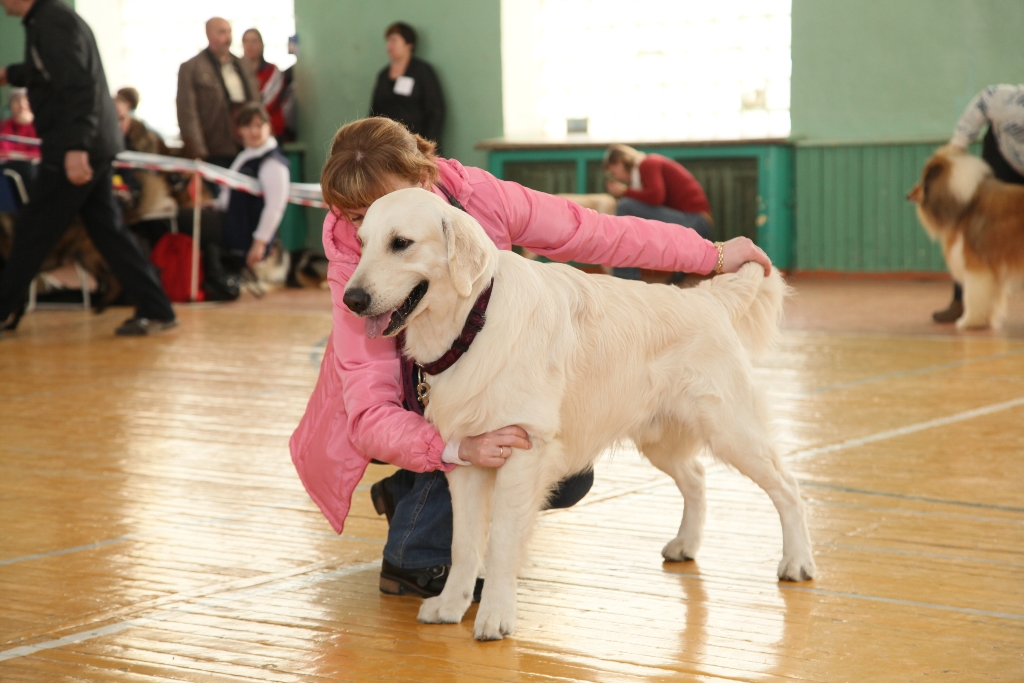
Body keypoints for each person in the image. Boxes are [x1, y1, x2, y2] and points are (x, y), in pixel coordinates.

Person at [288, 117, 771, 597]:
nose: (371, 225)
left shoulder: (480, 197)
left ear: (424, 178)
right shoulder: (352, 263)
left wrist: (712, 256)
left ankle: (413, 496)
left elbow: (596, 232)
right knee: (481, 443)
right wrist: (453, 450)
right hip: (402, 406)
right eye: (356, 217)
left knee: (565, 470)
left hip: (485, 384)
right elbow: (370, 408)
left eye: (387, 208)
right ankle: (415, 546)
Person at [0, 0, 176, 337]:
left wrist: (77, 148)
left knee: (33, 230)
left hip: (77, 146)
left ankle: (3, 307)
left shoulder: (51, 22)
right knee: (108, 232)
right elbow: (48, 73)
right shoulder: (49, 20)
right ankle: (157, 308)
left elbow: (79, 86)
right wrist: (12, 74)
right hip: (87, 143)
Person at [932, 84, 1024, 323]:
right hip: (1001, 159)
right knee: (974, 232)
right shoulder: (1001, 98)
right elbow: (976, 111)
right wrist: (957, 146)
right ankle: (961, 302)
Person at [603, 144, 714, 280]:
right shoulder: (646, 167)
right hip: (694, 219)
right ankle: (677, 273)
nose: (617, 178)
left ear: (620, 162)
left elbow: (656, 197)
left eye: (614, 172)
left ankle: (624, 277)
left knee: (625, 207)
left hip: (695, 221)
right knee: (631, 212)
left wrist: (625, 191)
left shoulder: (648, 163)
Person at [214, 102, 290, 269]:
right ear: (239, 130)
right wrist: (214, 204)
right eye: (248, 125)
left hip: (246, 234)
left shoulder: (273, 163)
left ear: (268, 127)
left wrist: (259, 243)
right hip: (231, 224)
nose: (254, 131)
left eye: (259, 125)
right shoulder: (245, 156)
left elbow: (275, 207)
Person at [176, 17, 259, 167]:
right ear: (209, 35)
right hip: (214, 149)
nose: (228, 38)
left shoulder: (243, 65)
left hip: (247, 146)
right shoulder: (192, 68)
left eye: (229, 32)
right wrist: (198, 152)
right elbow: (187, 115)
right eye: (222, 32)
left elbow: (257, 104)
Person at [369, 22, 445, 151]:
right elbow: (374, 111)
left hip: (416, 144)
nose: (389, 45)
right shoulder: (383, 75)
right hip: (386, 146)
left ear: (409, 44)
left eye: (394, 40)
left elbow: (435, 111)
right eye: (388, 41)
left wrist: (428, 146)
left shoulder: (422, 71)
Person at [241, 28, 288, 141]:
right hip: (246, 133)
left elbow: (267, 101)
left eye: (254, 41)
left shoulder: (272, 70)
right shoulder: (236, 71)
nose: (250, 45)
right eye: (246, 41)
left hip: (271, 131)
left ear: (261, 45)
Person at [0, 87, 38, 159]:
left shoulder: (42, 125)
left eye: (26, 100)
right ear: (10, 106)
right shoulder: (3, 126)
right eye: (17, 101)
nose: (22, 105)